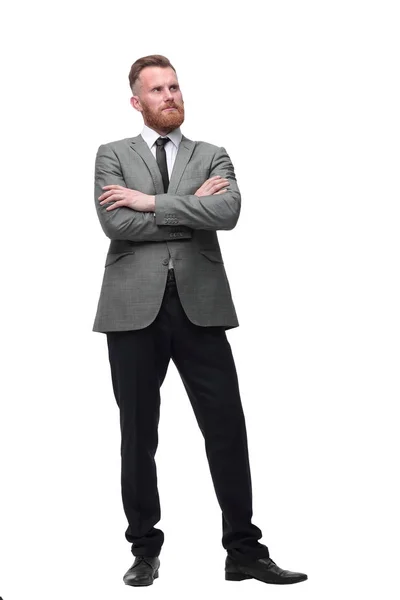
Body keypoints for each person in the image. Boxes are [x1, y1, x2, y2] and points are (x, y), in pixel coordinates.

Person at [92, 54, 307, 587]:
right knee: (138, 433)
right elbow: (114, 222)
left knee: (227, 428)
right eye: (157, 89)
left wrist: (150, 202)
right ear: (136, 102)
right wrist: (185, 205)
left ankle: (244, 550)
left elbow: (228, 213)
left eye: (175, 86)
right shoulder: (111, 155)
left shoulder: (214, 154)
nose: (170, 96)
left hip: (201, 305)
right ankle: (144, 549)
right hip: (131, 309)